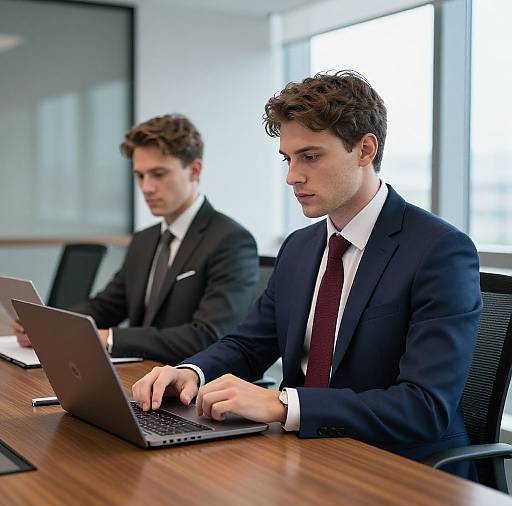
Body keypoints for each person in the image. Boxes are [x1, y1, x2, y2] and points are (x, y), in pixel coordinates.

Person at [132, 72, 482, 477]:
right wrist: (189, 372)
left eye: (310, 157)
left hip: (400, 469)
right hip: (307, 457)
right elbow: (249, 345)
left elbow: (424, 407)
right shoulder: (300, 247)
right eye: (288, 158)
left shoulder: (439, 250)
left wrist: (283, 405)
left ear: (365, 149)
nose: (292, 176)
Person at [12, 114, 259, 364]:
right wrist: (50, 326)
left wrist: (108, 338)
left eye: (158, 174)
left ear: (194, 170)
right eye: (140, 176)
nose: (146, 187)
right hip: (140, 376)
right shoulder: (145, 240)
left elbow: (208, 336)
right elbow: (106, 306)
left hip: (190, 387)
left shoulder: (231, 240)